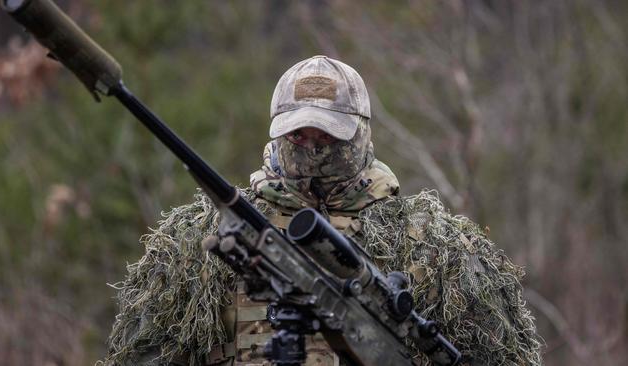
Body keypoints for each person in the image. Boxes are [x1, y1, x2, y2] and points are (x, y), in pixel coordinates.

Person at [101, 56, 543, 365]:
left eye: (328, 136)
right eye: (298, 136)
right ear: (276, 134)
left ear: (361, 133)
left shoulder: (437, 248)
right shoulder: (197, 240)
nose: (312, 148)